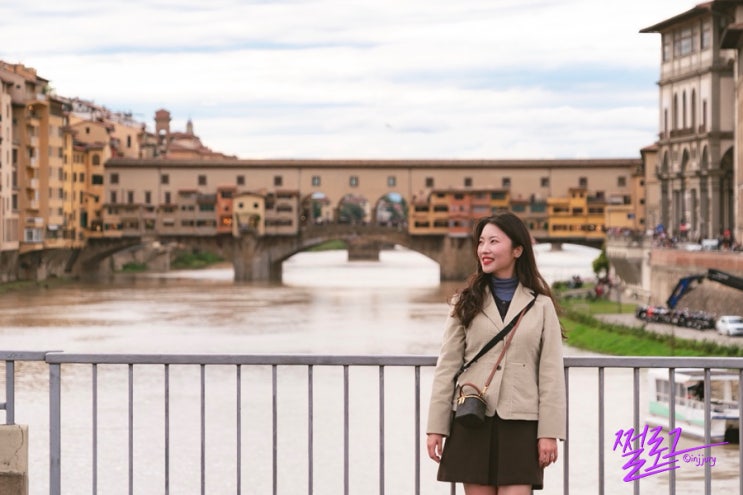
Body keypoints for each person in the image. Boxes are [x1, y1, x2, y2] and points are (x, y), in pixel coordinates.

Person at [426, 213, 566, 494]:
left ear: (517, 250)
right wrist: (436, 427)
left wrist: (549, 433)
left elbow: (551, 374)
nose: (484, 249)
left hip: (521, 423)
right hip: (472, 418)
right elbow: (447, 367)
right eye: (481, 242)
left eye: (493, 241)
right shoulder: (464, 302)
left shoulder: (541, 306)